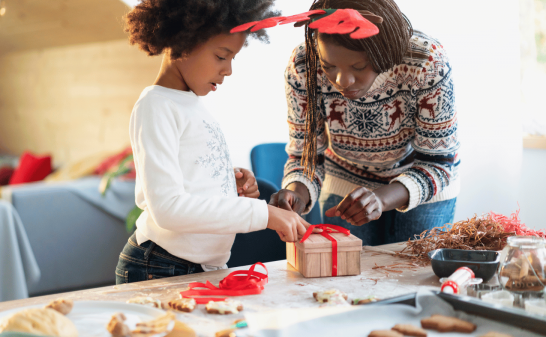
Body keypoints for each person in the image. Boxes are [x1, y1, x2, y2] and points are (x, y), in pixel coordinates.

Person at [116, 0, 311, 284]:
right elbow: (168, 208)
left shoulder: (192, 104)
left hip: (200, 266)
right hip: (159, 264)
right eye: (222, 56)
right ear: (183, 42)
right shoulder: (156, 105)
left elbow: (191, 180)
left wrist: (228, 185)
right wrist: (262, 213)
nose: (229, 70)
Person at [270, 0, 460, 246]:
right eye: (329, 66)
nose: (343, 80)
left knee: (415, 278)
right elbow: (306, 156)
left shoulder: (426, 62)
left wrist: (380, 199)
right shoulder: (303, 65)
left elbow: (439, 162)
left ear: (385, 51)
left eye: (358, 66)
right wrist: (295, 192)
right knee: (346, 279)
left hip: (423, 184)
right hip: (347, 182)